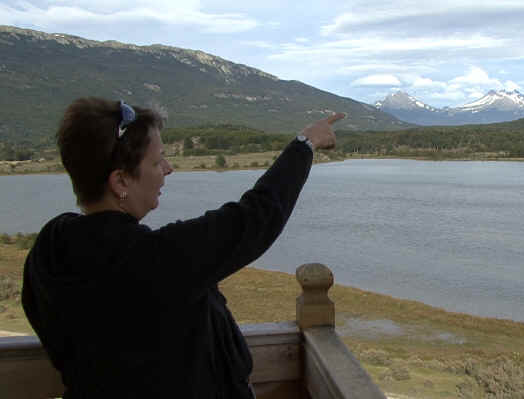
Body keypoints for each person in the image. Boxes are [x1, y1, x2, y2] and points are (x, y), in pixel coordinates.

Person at [21, 97, 345, 398]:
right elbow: (256, 217)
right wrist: (305, 144)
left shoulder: (48, 251)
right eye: (158, 161)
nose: (168, 169)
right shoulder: (154, 261)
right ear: (120, 182)